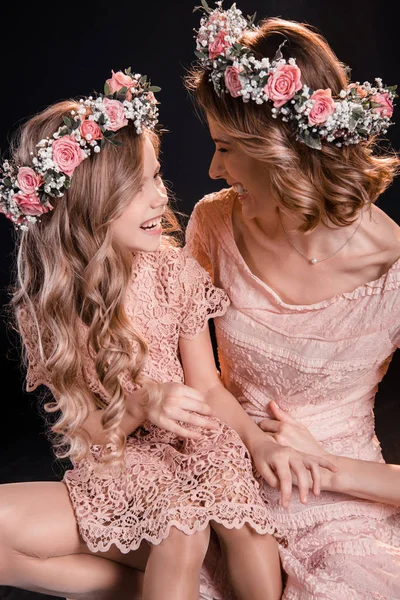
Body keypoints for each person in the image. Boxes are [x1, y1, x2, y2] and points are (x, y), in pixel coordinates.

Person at [0, 68, 337, 600]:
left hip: (199, 438)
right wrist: (141, 404)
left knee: (244, 525)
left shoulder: (173, 272)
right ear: (89, 205)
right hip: (126, 457)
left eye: (158, 177)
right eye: (141, 186)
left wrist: (252, 442)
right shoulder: (54, 308)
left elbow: (206, 385)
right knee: (179, 531)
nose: (161, 197)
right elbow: (91, 440)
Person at [185, 3, 400, 599]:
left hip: (345, 509)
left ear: (280, 149)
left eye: (226, 148)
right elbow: (189, 370)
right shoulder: (214, 224)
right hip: (225, 476)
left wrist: (333, 469)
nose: (211, 168)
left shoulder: (394, 269)